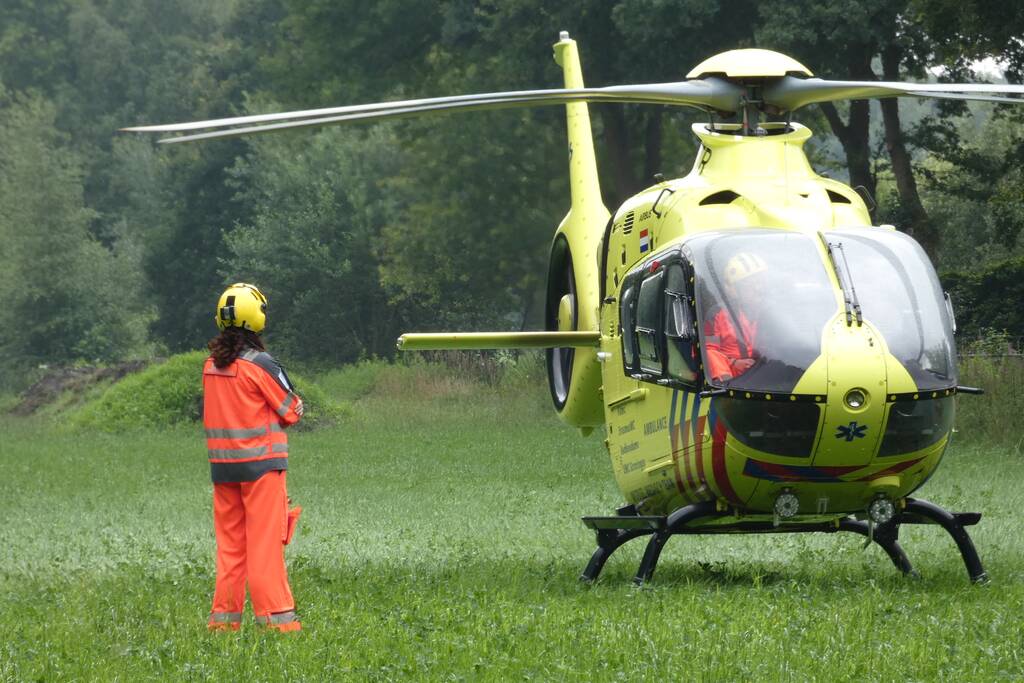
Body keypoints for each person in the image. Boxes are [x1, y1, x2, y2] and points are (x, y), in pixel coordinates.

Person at [203, 283, 304, 632]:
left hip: (224, 472)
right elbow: (291, 410)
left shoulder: (211, 366)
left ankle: (223, 623)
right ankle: (278, 624)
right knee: (264, 549)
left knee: (231, 550)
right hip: (262, 470)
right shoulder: (261, 363)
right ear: (256, 318)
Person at [704, 253, 768, 383]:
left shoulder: (770, 313)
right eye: (750, 284)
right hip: (730, 381)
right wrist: (733, 363)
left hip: (763, 377)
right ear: (734, 290)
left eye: (760, 282)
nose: (758, 288)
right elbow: (708, 352)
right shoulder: (717, 314)